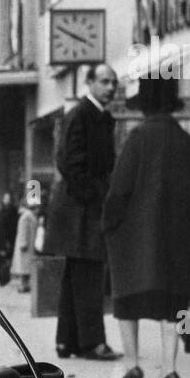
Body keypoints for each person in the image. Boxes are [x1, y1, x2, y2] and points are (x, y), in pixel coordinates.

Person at [103, 75, 190, 378]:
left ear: (146, 105)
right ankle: (169, 369)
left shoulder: (137, 139)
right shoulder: (187, 142)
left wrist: (108, 224)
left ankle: (133, 364)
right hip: (175, 241)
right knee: (174, 304)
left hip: (133, 240)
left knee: (126, 302)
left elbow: (119, 189)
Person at [44, 63, 121, 359]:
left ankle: (67, 341)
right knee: (89, 275)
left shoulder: (99, 117)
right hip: (81, 210)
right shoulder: (81, 115)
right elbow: (68, 161)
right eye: (104, 81)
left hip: (78, 208)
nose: (111, 87)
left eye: (113, 82)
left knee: (76, 277)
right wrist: (97, 196)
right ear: (89, 83)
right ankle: (92, 343)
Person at [10, 195, 38, 294]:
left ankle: (25, 285)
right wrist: (23, 243)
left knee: (25, 267)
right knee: (23, 267)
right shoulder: (26, 217)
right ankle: (22, 285)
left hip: (27, 244)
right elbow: (23, 231)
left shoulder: (27, 216)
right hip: (25, 245)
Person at [0, 190, 18, 287]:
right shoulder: (0, 211)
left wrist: (8, 240)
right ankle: (2, 277)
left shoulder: (13, 211)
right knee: (2, 259)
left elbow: (12, 226)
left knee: (7, 259)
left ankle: (5, 277)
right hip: (1, 237)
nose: (6, 200)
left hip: (9, 237)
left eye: (8, 199)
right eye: (5, 199)